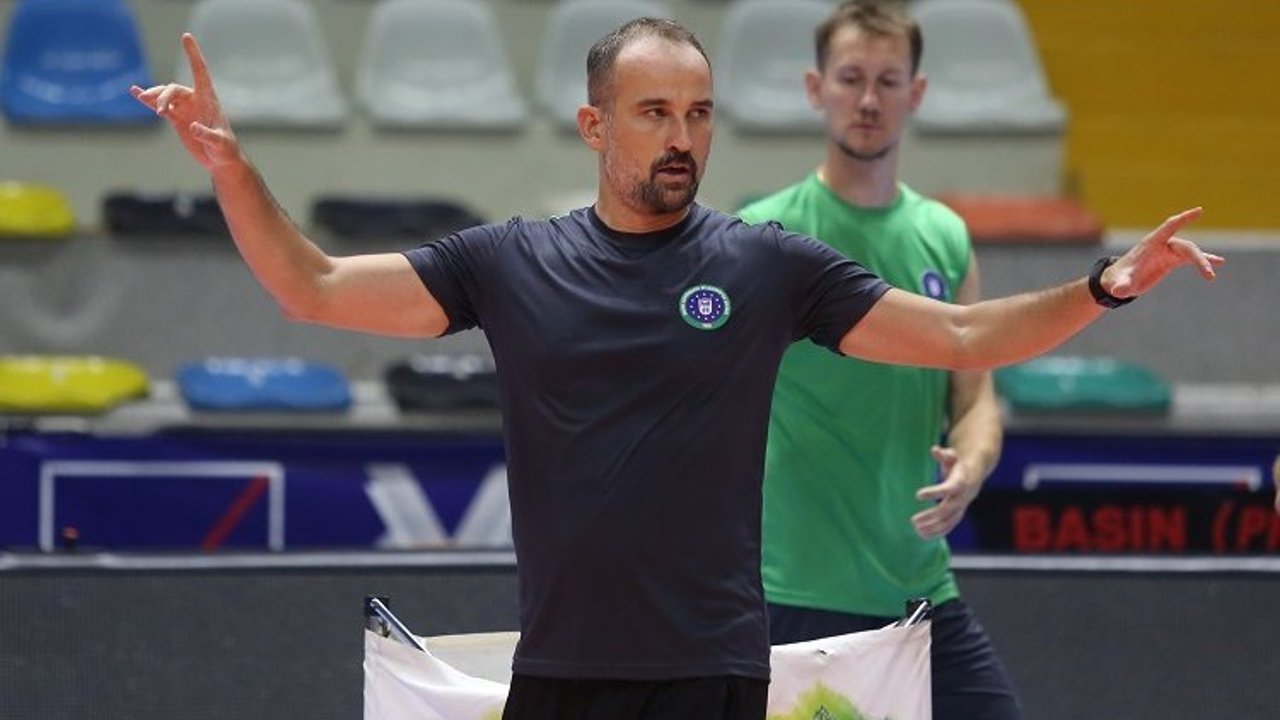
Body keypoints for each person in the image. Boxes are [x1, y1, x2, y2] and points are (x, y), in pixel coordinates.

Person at [132, 18, 1221, 720]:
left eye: (697, 114)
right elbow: (313, 287)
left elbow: (965, 338)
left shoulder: (765, 265)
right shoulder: (508, 262)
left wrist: (1105, 286)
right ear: (592, 124)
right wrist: (232, 170)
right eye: (654, 112)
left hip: (713, 671)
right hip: (559, 668)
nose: (680, 137)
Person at [737, 1, 1016, 717]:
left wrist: (972, 465)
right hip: (791, 593)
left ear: (915, 94)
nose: (868, 100)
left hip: (919, 593)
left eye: (888, 81)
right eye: (851, 78)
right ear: (816, 88)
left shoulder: (944, 236)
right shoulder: (763, 237)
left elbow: (974, 397)